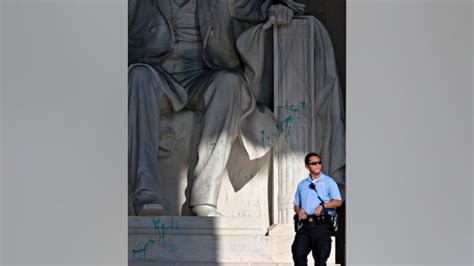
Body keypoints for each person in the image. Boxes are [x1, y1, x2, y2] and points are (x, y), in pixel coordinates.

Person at [128, 0, 305, 216]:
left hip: (202, 74)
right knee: (138, 75)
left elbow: (253, 5)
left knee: (229, 82)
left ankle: (205, 198)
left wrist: (274, 7)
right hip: (156, 72)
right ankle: (145, 192)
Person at [292, 152, 342, 266]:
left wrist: (323, 206)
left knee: (320, 259)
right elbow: (296, 204)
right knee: (297, 253)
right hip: (305, 226)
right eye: (314, 163)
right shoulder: (302, 184)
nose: (318, 165)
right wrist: (299, 211)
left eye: (319, 162)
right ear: (307, 166)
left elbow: (338, 202)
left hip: (322, 225)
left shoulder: (329, 182)